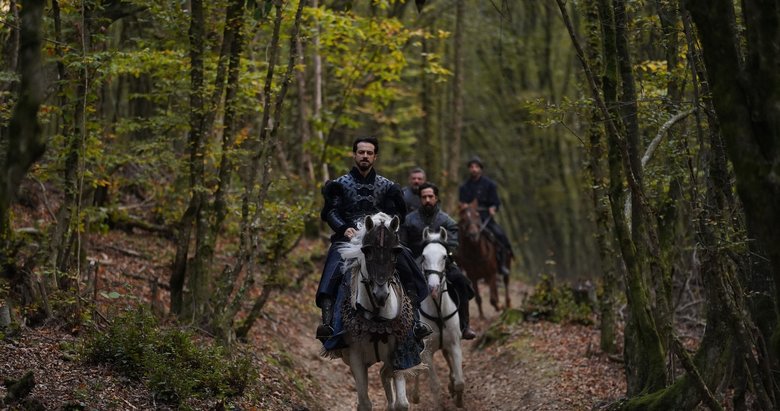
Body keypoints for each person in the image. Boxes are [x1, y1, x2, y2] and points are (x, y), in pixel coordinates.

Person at [316, 137, 432, 348]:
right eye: (361, 152)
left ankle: (416, 322)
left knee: (406, 261)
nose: (365, 156)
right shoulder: (339, 185)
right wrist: (343, 228)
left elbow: (396, 213)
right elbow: (331, 211)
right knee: (333, 265)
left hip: (380, 237)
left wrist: (386, 225)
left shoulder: (387, 186)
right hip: (348, 238)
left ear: (375, 157)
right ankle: (328, 324)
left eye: (369, 153)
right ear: (355, 154)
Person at [400, 182, 477, 340]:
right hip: (415, 264)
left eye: (430, 197)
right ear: (420, 199)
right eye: (424, 197)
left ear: (436, 198)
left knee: (461, 281)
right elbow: (403, 244)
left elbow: (454, 242)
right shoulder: (408, 220)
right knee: (403, 285)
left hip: (443, 264)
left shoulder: (447, 221)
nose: (427, 200)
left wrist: (447, 254)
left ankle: (464, 325)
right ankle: (408, 329)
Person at [458, 156, 514, 276]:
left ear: (481, 169)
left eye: (476, 167)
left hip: (485, 217)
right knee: (456, 237)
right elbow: (462, 203)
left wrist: (493, 208)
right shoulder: (464, 187)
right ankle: (459, 266)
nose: (474, 169)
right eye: (471, 167)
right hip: (469, 218)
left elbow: (496, 202)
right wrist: (464, 207)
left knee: (500, 236)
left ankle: (502, 264)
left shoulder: (490, 185)